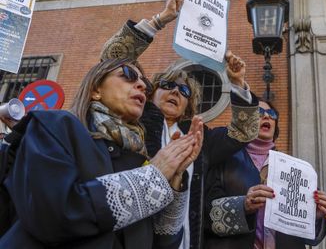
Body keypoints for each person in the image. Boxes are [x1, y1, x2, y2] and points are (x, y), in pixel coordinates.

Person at [100, 0, 260, 249]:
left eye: (184, 90)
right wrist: (160, 19)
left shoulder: (201, 137)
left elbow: (244, 131)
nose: (175, 90)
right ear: (151, 93)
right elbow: (109, 63)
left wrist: (238, 83)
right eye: (167, 84)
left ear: (189, 105)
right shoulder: (130, 120)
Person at [0, 58, 204, 249]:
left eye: (146, 84)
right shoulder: (55, 125)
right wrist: (152, 177)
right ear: (96, 89)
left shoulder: (138, 159)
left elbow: (163, 244)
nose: (142, 85)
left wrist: (175, 180)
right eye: (128, 75)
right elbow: (52, 214)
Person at [204, 100, 326, 249]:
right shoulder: (224, 159)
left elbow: (311, 239)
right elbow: (204, 214)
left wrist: (313, 216)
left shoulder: (296, 169)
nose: (266, 117)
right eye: (259, 113)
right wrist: (243, 206)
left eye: (271, 114)